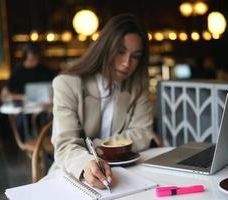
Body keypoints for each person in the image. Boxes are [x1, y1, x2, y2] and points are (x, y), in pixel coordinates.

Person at [46, 14, 159, 189]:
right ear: (105, 48)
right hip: (75, 173)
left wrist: (96, 148)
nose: (126, 63)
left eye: (135, 56)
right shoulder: (67, 83)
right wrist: (86, 162)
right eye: (120, 52)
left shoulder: (137, 86)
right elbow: (65, 145)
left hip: (127, 174)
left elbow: (142, 134)